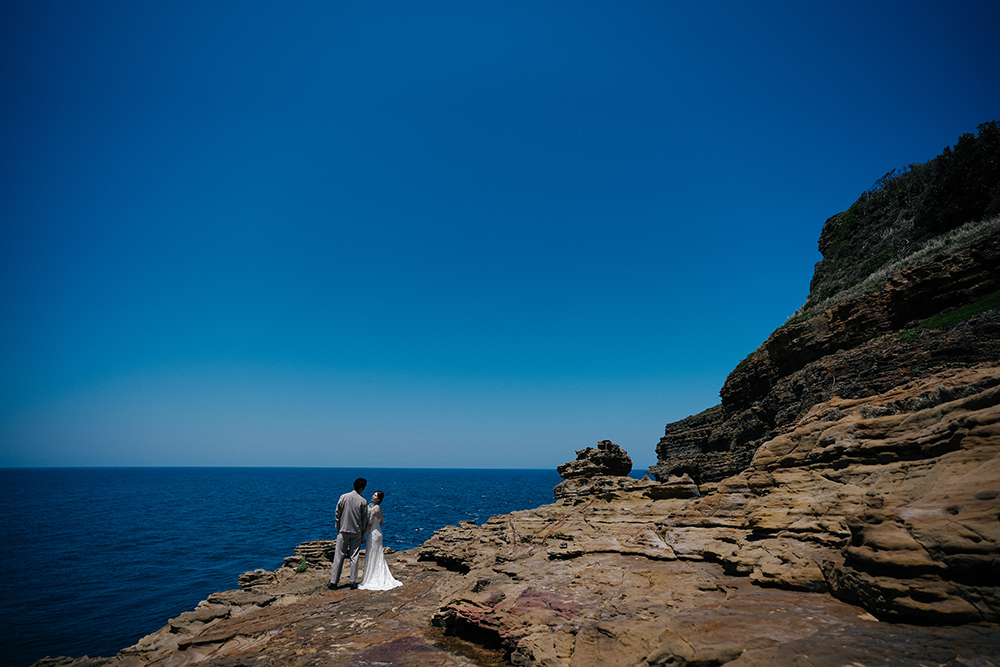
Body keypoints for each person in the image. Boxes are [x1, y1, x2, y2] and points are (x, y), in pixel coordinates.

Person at [329, 477, 369, 589]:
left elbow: (337, 513)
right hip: (356, 531)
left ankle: (334, 582)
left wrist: (338, 527)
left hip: (343, 530)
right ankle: (353, 582)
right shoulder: (363, 501)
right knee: (354, 556)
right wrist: (363, 533)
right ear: (362, 488)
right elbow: (364, 518)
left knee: (339, 556)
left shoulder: (344, 497)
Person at [358, 490, 402, 591]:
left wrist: (363, 535)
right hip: (379, 532)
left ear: (379, 499)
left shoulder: (373, 509)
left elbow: (369, 523)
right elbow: (381, 522)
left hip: (373, 533)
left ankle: (372, 576)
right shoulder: (380, 508)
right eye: (373, 494)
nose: (373, 496)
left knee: (372, 554)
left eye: (375, 496)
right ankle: (379, 573)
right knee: (378, 554)